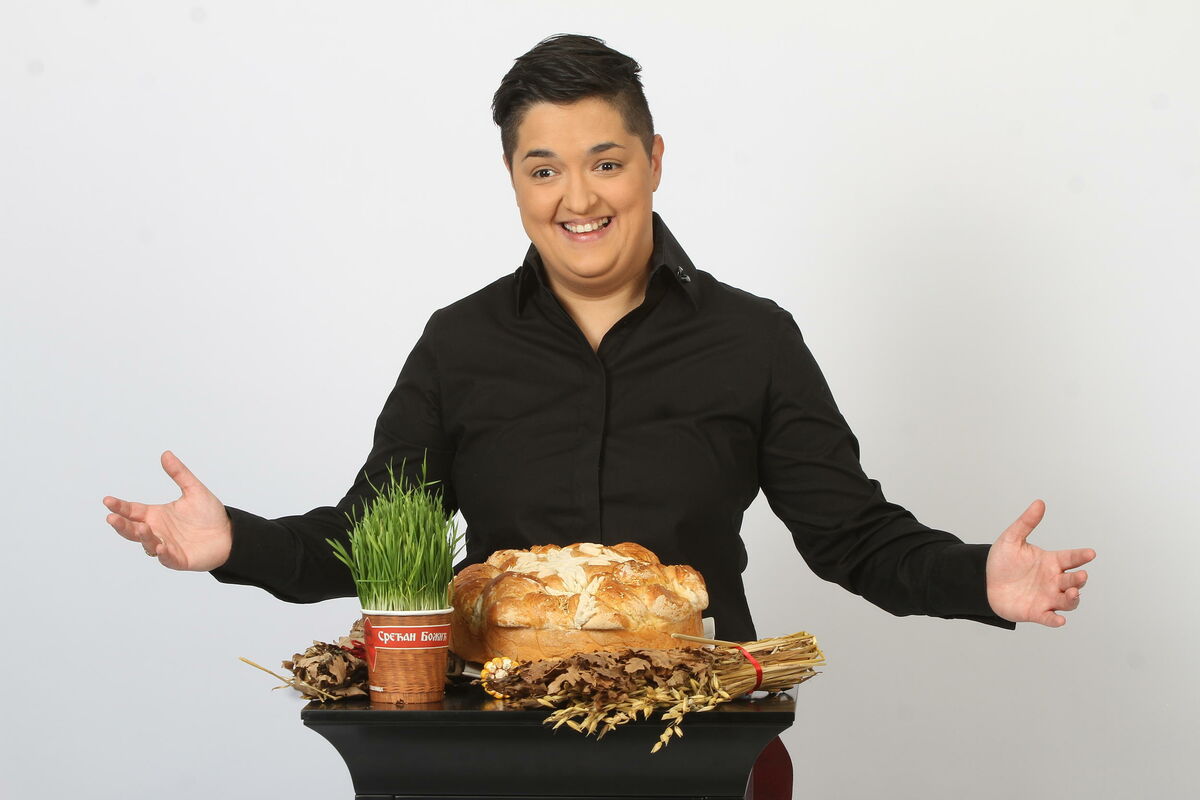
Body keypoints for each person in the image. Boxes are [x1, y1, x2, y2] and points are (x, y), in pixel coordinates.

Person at [102, 33, 1095, 798]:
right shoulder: (459, 344)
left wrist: (979, 579)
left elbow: (852, 537)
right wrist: (235, 542)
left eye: (605, 162)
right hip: (492, 753)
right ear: (514, 179)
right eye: (544, 169)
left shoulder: (753, 340)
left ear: (654, 160)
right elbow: (376, 540)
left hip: (703, 749)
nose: (576, 197)